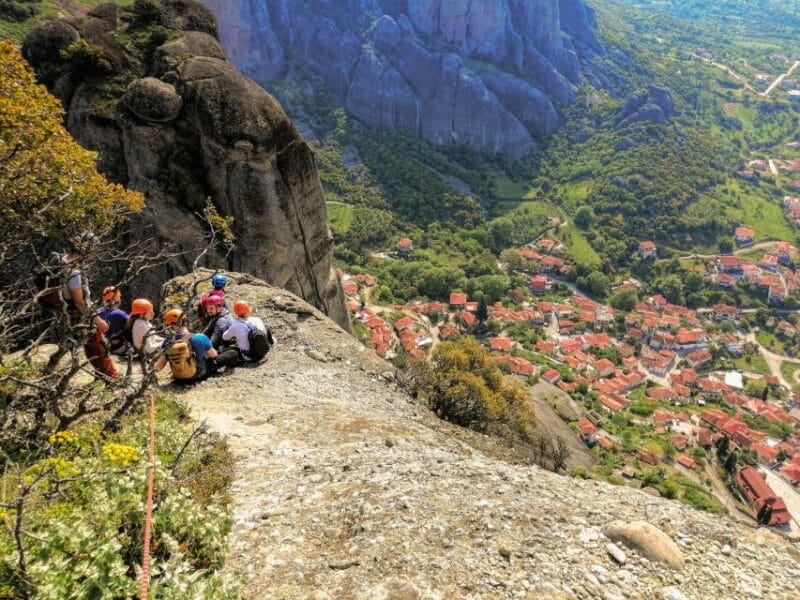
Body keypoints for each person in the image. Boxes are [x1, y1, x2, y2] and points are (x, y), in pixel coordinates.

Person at [156, 309, 218, 382]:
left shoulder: (167, 342)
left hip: (179, 378)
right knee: (227, 355)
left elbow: (160, 365)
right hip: (198, 376)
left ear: (170, 325)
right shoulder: (200, 337)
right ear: (185, 322)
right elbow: (213, 355)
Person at [217, 300, 273, 368]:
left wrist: (232, 332)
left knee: (233, 347)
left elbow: (224, 337)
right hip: (262, 353)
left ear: (236, 313)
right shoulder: (257, 319)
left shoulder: (235, 326)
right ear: (249, 310)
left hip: (248, 357)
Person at [83, 312, 119, 381]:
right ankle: (112, 377)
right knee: (101, 348)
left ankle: (100, 373)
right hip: (89, 322)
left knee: (91, 348)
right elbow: (80, 304)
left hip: (83, 322)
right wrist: (97, 320)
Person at [98, 286, 129, 354]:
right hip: (115, 347)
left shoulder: (98, 311)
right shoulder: (120, 314)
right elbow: (132, 323)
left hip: (101, 345)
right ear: (117, 300)